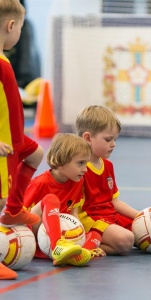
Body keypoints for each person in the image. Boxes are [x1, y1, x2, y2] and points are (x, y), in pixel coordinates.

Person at [0, 0, 43, 279]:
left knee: (38, 154)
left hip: (16, 139)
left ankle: (14, 210)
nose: (19, 36)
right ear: (11, 25)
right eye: (21, 29)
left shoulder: (4, 61)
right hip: (3, 142)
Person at [24, 133, 105, 267]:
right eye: (80, 163)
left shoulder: (78, 181)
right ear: (61, 163)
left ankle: (79, 252)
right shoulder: (40, 183)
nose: (85, 169)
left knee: (96, 234)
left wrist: (79, 236)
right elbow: (21, 216)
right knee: (51, 199)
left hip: (62, 231)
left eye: (86, 163)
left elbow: (73, 213)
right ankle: (57, 247)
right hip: (34, 231)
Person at [75, 105, 139, 255]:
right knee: (126, 239)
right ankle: (86, 243)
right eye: (108, 139)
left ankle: (101, 241)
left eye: (115, 139)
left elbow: (114, 202)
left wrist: (140, 215)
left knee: (145, 231)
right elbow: (73, 208)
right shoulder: (78, 168)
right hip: (91, 220)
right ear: (88, 138)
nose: (113, 144)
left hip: (110, 217)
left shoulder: (108, 165)